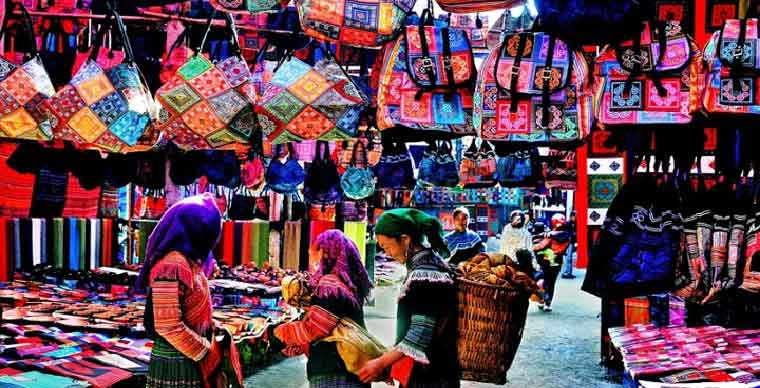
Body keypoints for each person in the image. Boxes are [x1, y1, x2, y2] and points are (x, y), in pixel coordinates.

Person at [137, 194, 242, 388]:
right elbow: (168, 326)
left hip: (187, 357)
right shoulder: (172, 266)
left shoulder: (188, 261)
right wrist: (207, 353)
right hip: (178, 362)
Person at [358, 209, 459, 387]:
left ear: (405, 239)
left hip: (431, 378)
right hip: (433, 374)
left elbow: (419, 334)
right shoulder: (429, 265)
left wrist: (381, 363)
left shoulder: (425, 273)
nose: (387, 254)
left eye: (387, 247)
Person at [273, 230, 373, 387]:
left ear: (325, 252)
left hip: (336, 374)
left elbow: (314, 329)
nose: (311, 255)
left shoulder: (330, 284)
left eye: (314, 250)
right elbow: (332, 327)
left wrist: (279, 332)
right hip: (348, 370)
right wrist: (304, 345)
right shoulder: (347, 284)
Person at [533, 214, 571, 312]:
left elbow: (541, 246)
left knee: (543, 279)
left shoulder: (550, 235)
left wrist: (532, 247)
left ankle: (542, 299)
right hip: (557, 260)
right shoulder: (567, 235)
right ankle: (547, 303)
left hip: (547, 260)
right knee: (551, 282)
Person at [562, 211, 577, 279]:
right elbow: (567, 233)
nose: (575, 218)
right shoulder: (568, 223)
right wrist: (573, 234)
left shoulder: (574, 223)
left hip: (572, 242)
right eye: (574, 216)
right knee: (568, 258)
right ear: (571, 216)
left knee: (570, 258)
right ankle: (566, 272)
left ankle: (569, 272)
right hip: (568, 242)